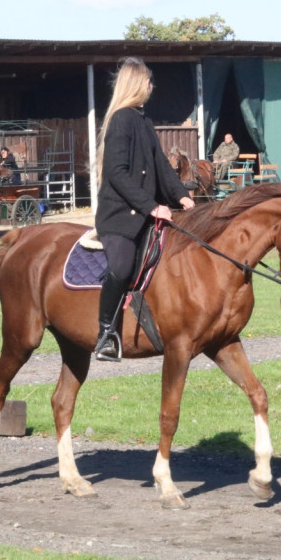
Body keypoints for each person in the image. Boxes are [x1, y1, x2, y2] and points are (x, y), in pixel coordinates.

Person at [93, 57, 195, 362]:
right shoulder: (121, 120)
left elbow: (162, 167)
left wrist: (182, 197)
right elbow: (118, 174)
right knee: (121, 267)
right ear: (137, 83)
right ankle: (106, 335)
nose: (152, 86)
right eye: (148, 81)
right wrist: (152, 207)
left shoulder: (143, 121)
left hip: (145, 216)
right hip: (120, 218)